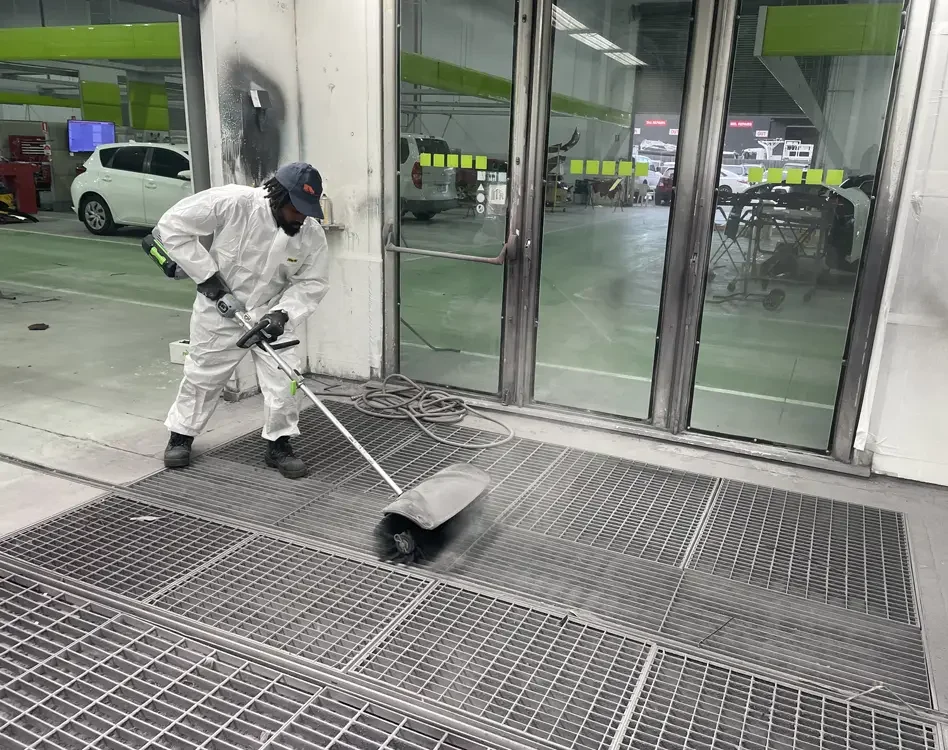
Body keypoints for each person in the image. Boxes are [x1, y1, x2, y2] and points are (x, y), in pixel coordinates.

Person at [154, 162, 329, 478]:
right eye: (296, 209)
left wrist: (283, 313)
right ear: (277, 196)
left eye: (307, 210)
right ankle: (181, 435)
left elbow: (312, 282)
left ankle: (279, 444)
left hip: (270, 314)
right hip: (220, 306)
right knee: (203, 375)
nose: (301, 217)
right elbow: (173, 225)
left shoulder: (310, 235)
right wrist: (207, 277)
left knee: (286, 378)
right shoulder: (236, 202)